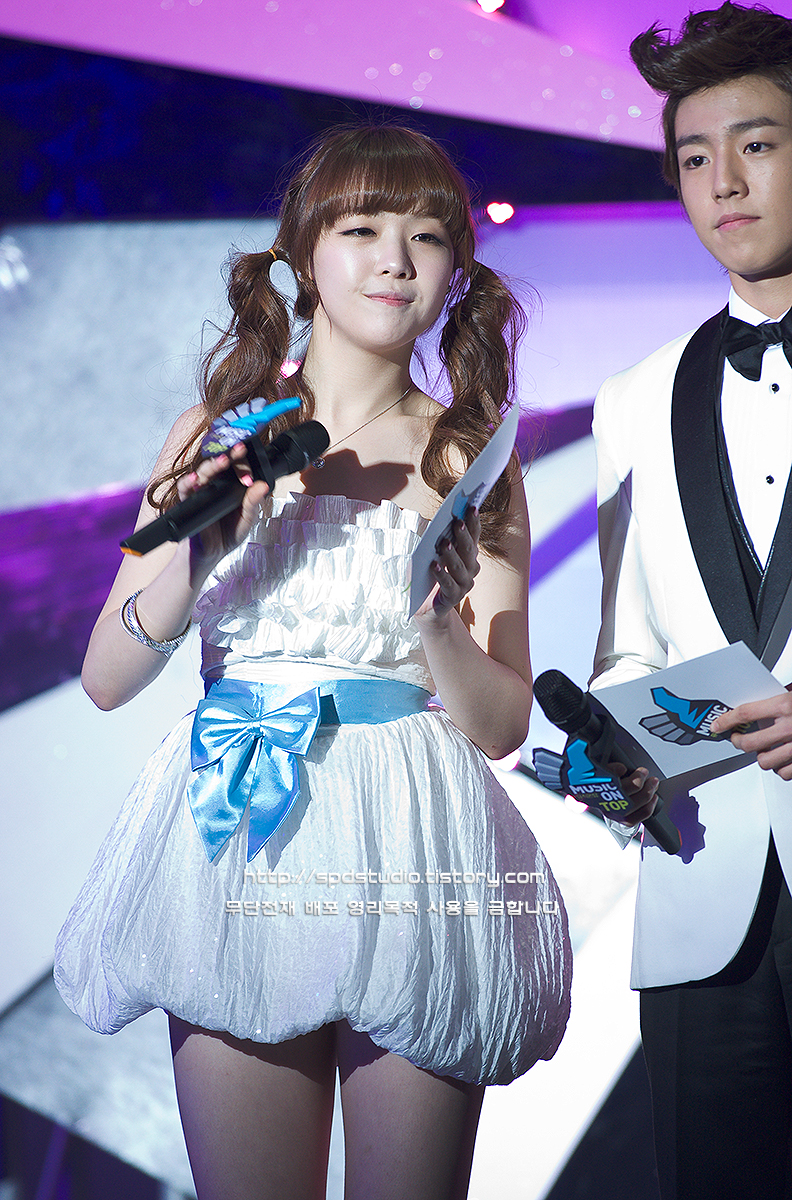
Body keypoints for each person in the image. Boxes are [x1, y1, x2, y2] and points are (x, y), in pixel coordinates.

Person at [53, 125, 571, 1200]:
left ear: (454, 270)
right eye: (362, 228)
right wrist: (202, 549)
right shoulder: (215, 435)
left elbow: (502, 724)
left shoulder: (471, 455)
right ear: (302, 255)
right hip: (241, 824)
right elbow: (106, 675)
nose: (395, 260)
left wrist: (437, 623)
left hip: (414, 835)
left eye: (426, 236)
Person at [589, 4, 792, 1196]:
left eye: (756, 144)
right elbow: (624, 651)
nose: (722, 182)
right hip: (700, 892)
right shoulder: (629, 398)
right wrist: (618, 752)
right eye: (692, 157)